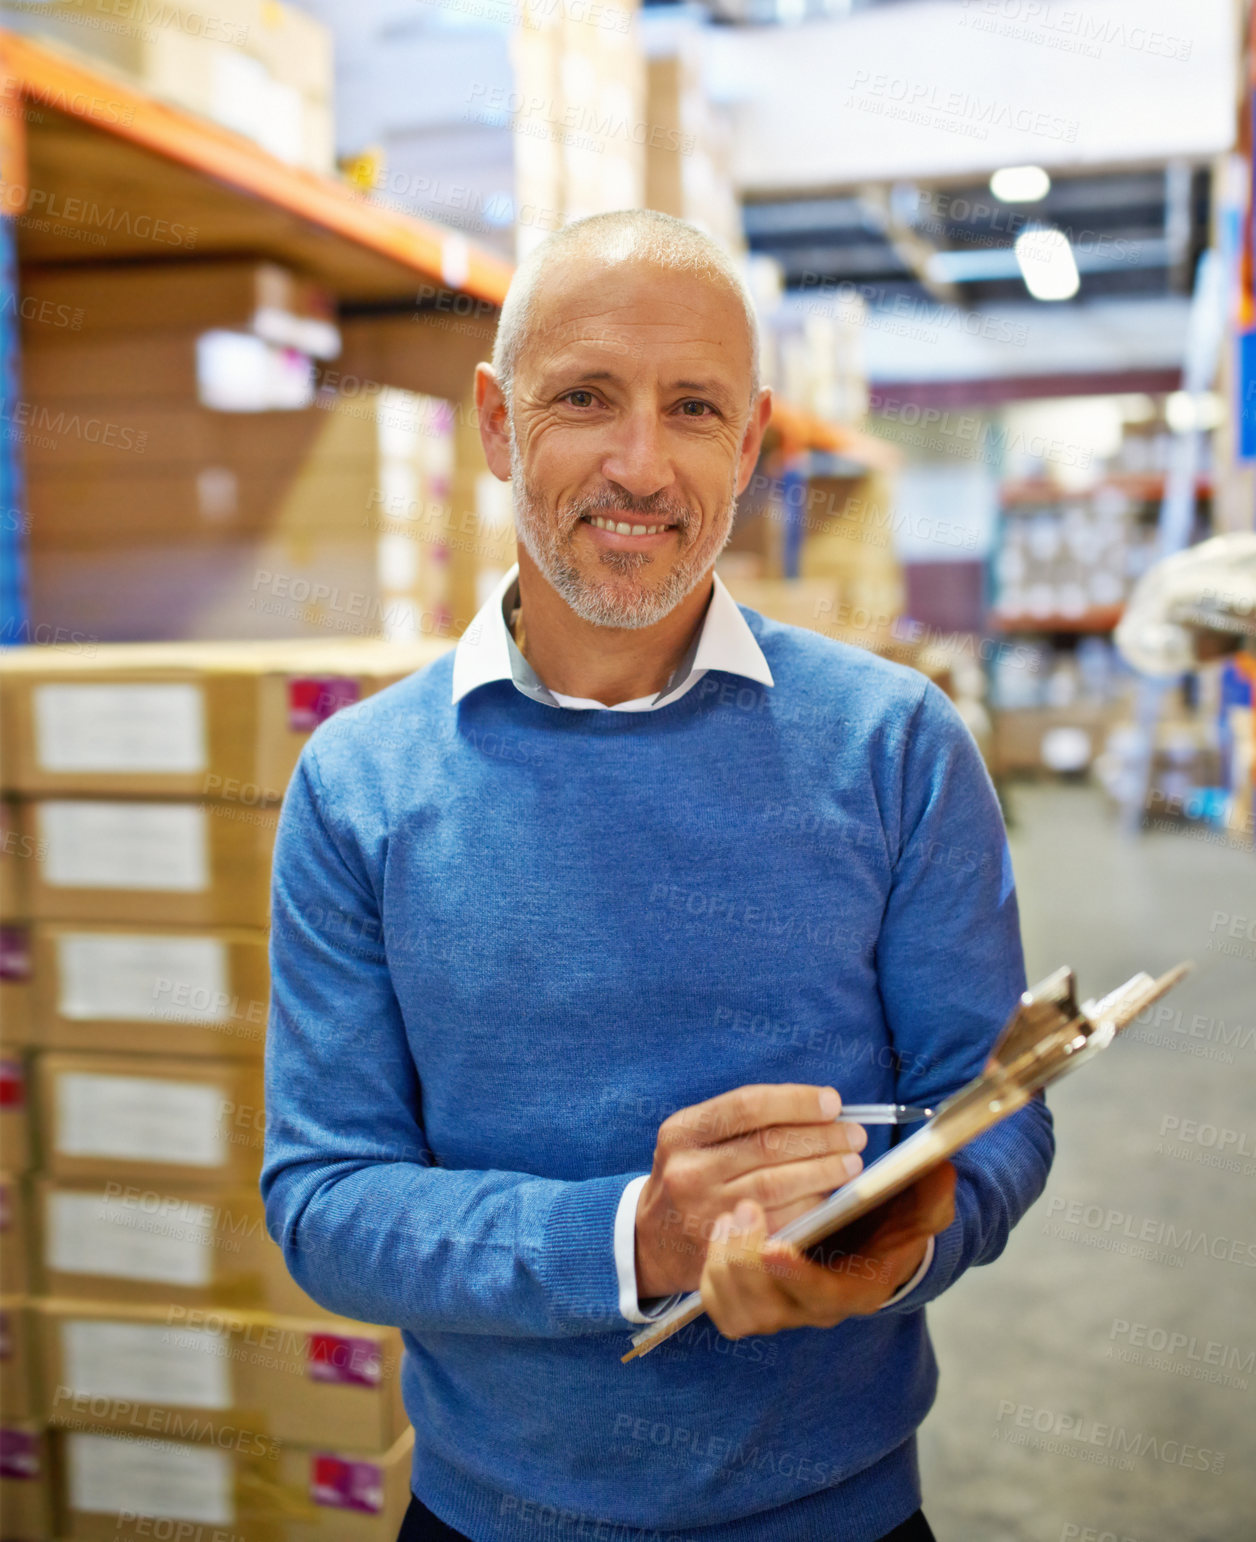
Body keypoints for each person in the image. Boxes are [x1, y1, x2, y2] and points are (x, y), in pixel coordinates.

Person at [261, 209, 1054, 1542]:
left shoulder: (894, 746)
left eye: (693, 408)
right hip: (491, 1512)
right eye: (585, 397)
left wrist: (885, 1246)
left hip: (836, 1512)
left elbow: (998, 1113)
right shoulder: (361, 787)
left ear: (747, 445)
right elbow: (325, 1197)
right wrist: (638, 1238)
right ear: (498, 423)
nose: (641, 463)